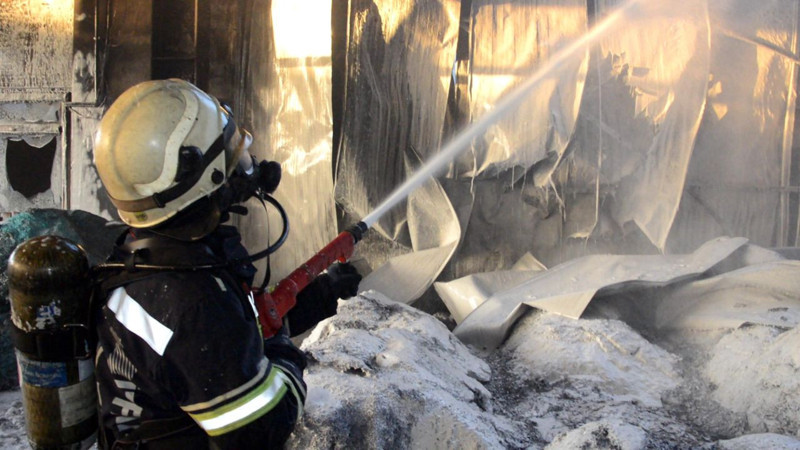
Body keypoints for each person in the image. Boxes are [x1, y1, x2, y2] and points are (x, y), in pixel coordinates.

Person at [92, 78, 361, 449]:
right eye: (232, 160)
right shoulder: (194, 303)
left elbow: (224, 340)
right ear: (207, 177)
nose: (246, 171)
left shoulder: (148, 259)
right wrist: (285, 353)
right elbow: (264, 426)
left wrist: (318, 296)